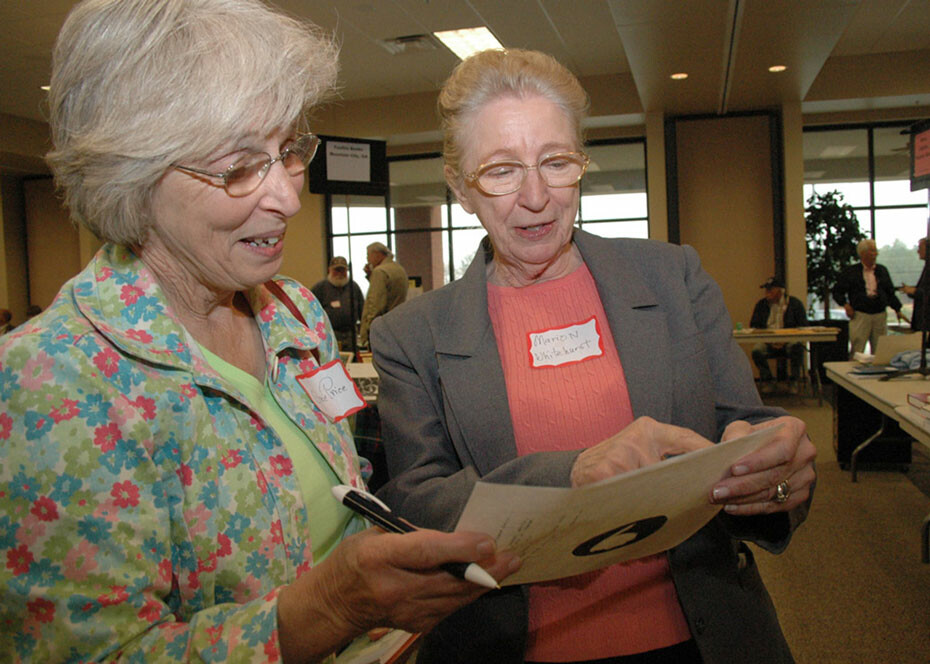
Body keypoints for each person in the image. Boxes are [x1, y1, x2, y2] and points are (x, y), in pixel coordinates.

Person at [0, 2, 517, 661]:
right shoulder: (45, 386)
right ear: (133, 177)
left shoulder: (295, 315)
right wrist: (332, 605)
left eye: (290, 151)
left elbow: (342, 484)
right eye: (240, 167)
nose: (287, 197)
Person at [371, 49, 816, 664]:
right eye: (501, 171)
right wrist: (571, 477)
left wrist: (775, 470)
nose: (536, 197)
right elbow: (419, 506)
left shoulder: (672, 278)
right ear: (460, 187)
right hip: (510, 645)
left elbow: (750, 426)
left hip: (705, 636)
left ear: (581, 164)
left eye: (556, 163)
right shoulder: (412, 334)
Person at [831, 238, 904, 356]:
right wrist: (845, 305)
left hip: (879, 313)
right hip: (860, 314)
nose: (876, 254)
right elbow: (837, 291)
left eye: (876, 251)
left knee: (881, 350)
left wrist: (897, 309)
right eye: (872, 251)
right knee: (857, 348)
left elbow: (889, 292)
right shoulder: (851, 272)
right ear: (863, 254)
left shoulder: (881, 270)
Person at [750, 277, 808, 393]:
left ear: (781, 291)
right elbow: (754, 325)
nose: (767, 292)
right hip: (767, 342)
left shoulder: (794, 304)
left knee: (796, 347)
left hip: (789, 341)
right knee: (757, 350)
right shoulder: (761, 305)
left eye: (771, 289)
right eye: (766, 290)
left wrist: (785, 339)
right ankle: (768, 380)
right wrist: (768, 340)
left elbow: (803, 326)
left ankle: (794, 381)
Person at [358, 241, 408, 347]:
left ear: (377, 254)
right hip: (397, 326)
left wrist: (368, 329)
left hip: (382, 330)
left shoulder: (380, 272)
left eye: (368, 255)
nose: (368, 259)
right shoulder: (399, 269)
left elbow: (376, 304)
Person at [311, 255, 363, 352]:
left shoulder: (354, 287)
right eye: (336, 270)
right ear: (329, 270)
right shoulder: (320, 288)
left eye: (342, 270)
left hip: (350, 336)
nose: (339, 273)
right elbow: (311, 312)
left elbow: (362, 311)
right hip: (329, 335)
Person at [900, 237, 929, 331]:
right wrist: (911, 291)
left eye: (920, 248)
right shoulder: (926, 267)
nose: (918, 251)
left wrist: (915, 291)